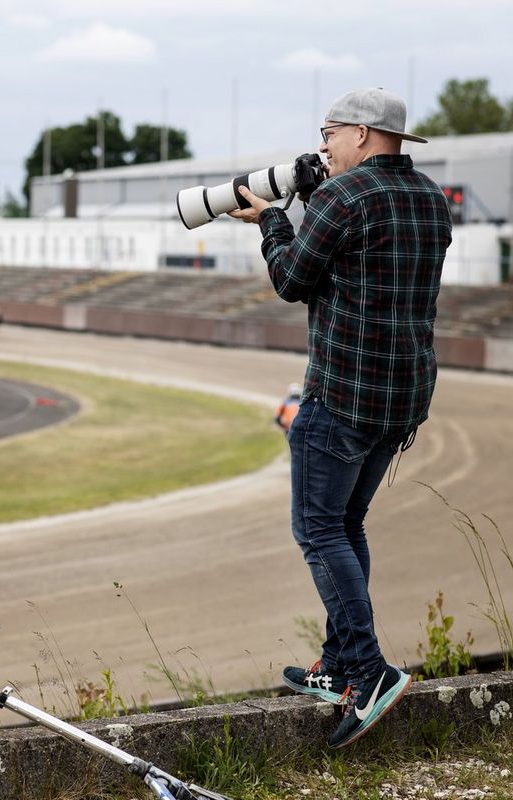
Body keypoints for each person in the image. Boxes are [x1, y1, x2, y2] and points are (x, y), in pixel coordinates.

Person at [229, 88, 452, 748]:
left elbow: (292, 279)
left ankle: (369, 671)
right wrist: (311, 202)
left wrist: (272, 221)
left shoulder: (343, 198)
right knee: (347, 523)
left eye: (328, 132)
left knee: (319, 527)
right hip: (402, 400)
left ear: (360, 133)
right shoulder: (431, 199)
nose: (322, 144)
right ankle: (337, 668)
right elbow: (359, 268)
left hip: (341, 398)